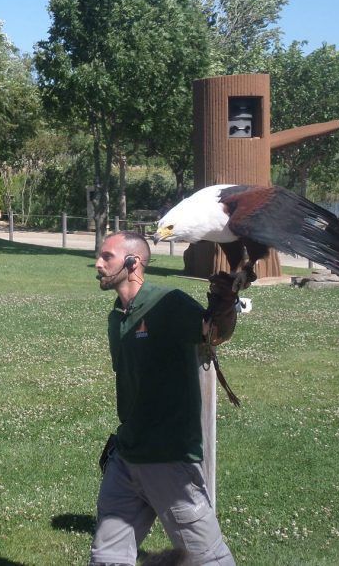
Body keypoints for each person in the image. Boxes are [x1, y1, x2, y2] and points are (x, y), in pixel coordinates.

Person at [91, 231, 235, 566]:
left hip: (169, 460)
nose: (97, 264)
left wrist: (226, 305)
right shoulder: (117, 317)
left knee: (208, 558)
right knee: (107, 554)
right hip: (127, 456)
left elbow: (215, 332)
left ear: (133, 262)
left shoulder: (167, 303)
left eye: (106, 257)